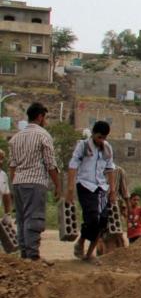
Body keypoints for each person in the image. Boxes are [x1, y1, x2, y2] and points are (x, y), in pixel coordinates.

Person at [9, 102, 60, 261]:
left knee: (22, 219)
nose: (46, 120)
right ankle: (33, 255)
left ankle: (24, 254)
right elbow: (50, 164)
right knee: (34, 218)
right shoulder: (43, 135)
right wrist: (58, 185)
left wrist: (13, 186)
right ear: (40, 116)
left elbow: (12, 166)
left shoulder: (16, 138)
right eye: (45, 117)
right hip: (35, 182)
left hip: (18, 182)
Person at [66, 121, 117, 263]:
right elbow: (73, 164)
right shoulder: (83, 146)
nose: (102, 140)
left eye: (104, 138)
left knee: (103, 220)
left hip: (101, 187)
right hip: (85, 185)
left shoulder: (107, 148)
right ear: (94, 134)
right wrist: (70, 189)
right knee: (92, 218)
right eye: (99, 137)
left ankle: (89, 253)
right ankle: (81, 242)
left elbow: (110, 169)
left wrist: (112, 190)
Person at [0, 151, 12, 216]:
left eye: (2, 159)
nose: (0, 161)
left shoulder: (3, 175)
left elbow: (6, 195)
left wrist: (7, 215)